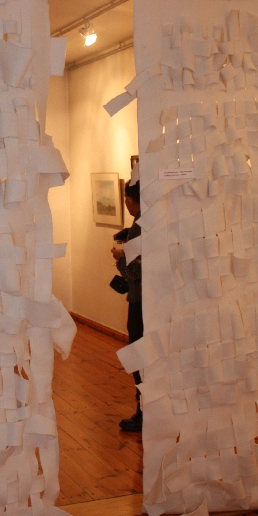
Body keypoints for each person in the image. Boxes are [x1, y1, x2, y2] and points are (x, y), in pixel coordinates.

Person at [111, 180, 143, 432]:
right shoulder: (153, 222)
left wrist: (120, 258)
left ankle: (143, 412)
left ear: (131, 200)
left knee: (139, 356)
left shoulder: (140, 227)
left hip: (140, 302)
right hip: (154, 302)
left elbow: (133, 271)